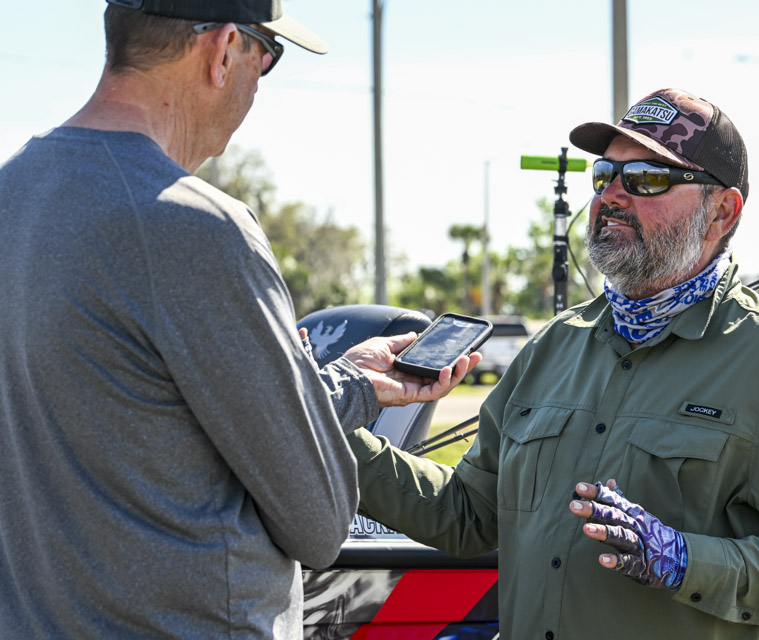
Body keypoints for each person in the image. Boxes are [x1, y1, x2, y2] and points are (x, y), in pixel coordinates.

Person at [0, 2, 476, 638]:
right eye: (267, 58)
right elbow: (319, 522)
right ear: (224, 51)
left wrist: (349, 385)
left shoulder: (14, 193)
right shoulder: (199, 227)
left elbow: (149, 421)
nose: (259, 85)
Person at [346, 88, 759, 639]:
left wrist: (685, 561)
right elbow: (468, 515)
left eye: (647, 178)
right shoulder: (555, 345)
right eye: (605, 174)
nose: (611, 195)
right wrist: (322, 427)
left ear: (721, 212)